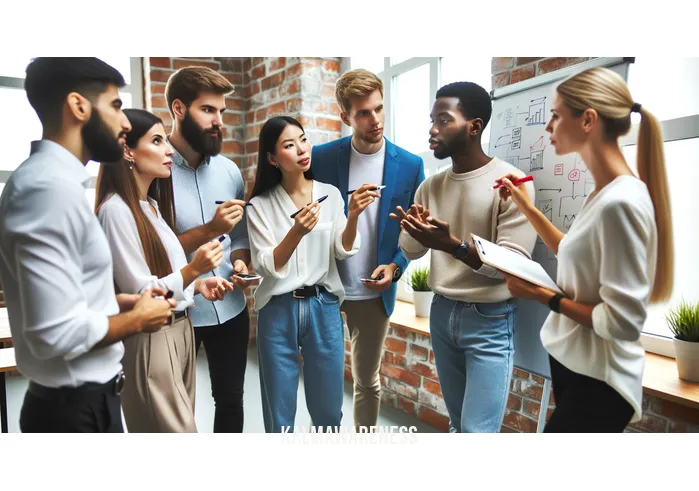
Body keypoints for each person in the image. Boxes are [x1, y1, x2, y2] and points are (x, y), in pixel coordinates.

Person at [0, 57, 175, 433]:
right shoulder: (47, 191)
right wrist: (138, 319)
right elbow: (53, 335)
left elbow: (64, 301)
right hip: (73, 413)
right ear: (79, 106)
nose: (125, 123)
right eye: (115, 106)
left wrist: (114, 303)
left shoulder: (56, 184)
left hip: (90, 402)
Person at [495, 67, 673, 432]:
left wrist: (541, 295)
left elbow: (620, 322)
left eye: (557, 115)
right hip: (578, 370)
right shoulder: (604, 193)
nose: (548, 127)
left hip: (600, 384)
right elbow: (573, 251)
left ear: (588, 120)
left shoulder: (620, 203)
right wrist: (526, 207)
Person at [391, 81, 537, 433]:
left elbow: (510, 269)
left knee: (476, 433)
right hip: (443, 314)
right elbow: (411, 251)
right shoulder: (431, 186)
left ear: (474, 126)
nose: (432, 129)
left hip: (489, 320)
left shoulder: (512, 182)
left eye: (444, 120)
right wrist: (414, 230)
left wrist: (452, 245)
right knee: (457, 426)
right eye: (432, 120)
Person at [96, 108, 236, 432]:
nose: (169, 149)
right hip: (151, 340)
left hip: (180, 333)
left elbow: (165, 276)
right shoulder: (116, 211)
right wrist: (193, 270)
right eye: (157, 141)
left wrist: (197, 285)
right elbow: (145, 293)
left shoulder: (152, 207)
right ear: (128, 151)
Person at [311, 68, 425, 430]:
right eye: (363, 113)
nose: (375, 120)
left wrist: (396, 266)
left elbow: (415, 232)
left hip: (375, 293)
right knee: (323, 382)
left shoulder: (410, 164)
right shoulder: (321, 157)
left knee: (367, 382)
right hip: (325, 288)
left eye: (378, 109)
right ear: (345, 116)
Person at [246, 116, 371, 433]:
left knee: (329, 411)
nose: (302, 149)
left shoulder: (329, 194)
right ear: (273, 158)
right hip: (277, 311)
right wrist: (297, 232)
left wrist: (353, 214)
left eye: (303, 139)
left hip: (323, 307)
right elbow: (265, 265)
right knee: (279, 413)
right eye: (289, 145)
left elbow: (343, 249)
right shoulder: (259, 206)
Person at [165, 66, 253, 432]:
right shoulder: (156, 170)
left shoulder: (229, 171)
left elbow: (241, 237)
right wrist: (210, 230)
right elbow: (154, 249)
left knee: (231, 400)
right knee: (177, 405)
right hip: (183, 310)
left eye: (222, 112)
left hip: (232, 309)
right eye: (208, 110)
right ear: (179, 109)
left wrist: (240, 264)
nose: (219, 121)